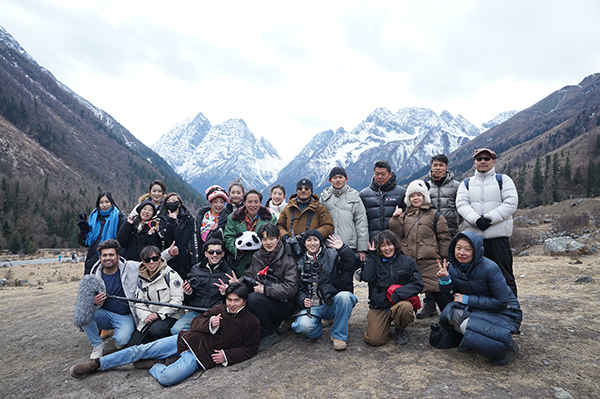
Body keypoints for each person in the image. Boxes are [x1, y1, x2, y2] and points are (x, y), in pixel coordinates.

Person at [69, 282, 261, 387]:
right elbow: (194, 323)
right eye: (229, 300)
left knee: (167, 379)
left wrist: (227, 356)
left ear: (244, 301)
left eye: (236, 300)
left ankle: (156, 365)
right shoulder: (219, 308)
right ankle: (97, 364)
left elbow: (250, 349)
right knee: (139, 349)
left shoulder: (252, 322)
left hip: (200, 358)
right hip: (186, 340)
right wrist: (209, 323)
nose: (232, 304)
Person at [436, 231, 522, 365]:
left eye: (467, 249)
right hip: (480, 308)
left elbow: (501, 302)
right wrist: (445, 281)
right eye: (458, 248)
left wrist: (467, 300)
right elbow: (452, 296)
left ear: (476, 251)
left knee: (467, 325)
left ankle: (509, 348)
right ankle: (479, 340)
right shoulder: (454, 267)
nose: (461, 253)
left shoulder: (490, 268)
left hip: (506, 311)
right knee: (451, 313)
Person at [456, 148, 519, 296]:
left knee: (504, 276)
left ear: (493, 161)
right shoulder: (466, 183)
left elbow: (511, 203)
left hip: (498, 238)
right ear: (474, 162)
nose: (483, 161)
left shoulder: (503, 180)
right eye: (479, 159)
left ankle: (510, 311)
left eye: (487, 158)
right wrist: (476, 220)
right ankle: (479, 310)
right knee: (474, 277)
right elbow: (461, 204)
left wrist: (489, 219)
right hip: (474, 240)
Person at [227, 223, 298, 352]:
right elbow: (248, 275)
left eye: (271, 238)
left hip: (283, 304)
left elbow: (291, 289)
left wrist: (266, 290)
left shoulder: (288, 260)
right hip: (267, 301)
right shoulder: (259, 256)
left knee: (253, 298)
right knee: (242, 297)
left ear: (278, 238)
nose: (268, 243)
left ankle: (269, 334)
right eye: (264, 239)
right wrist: (237, 283)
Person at [389, 180, 452, 320]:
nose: (416, 198)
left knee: (439, 292)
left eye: (419, 195)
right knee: (405, 293)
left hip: (430, 261)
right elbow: (396, 234)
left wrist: (445, 258)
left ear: (424, 197)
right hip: (410, 262)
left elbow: (444, 238)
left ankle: (450, 321)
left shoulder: (435, 215)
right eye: (412, 196)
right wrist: (394, 218)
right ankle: (401, 321)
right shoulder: (404, 216)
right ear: (408, 199)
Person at [291, 230, 361, 350]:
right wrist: (303, 299)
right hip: (312, 306)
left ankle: (338, 335)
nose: (312, 243)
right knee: (307, 328)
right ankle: (315, 325)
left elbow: (354, 265)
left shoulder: (331, 255)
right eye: (309, 240)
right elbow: (298, 290)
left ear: (320, 242)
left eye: (315, 240)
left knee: (345, 297)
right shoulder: (300, 264)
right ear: (304, 244)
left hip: (330, 302)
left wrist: (343, 249)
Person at [361, 230, 424, 347]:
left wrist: (397, 293)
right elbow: (367, 277)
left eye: (389, 244)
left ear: (395, 245)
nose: (387, 248)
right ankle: (380, 325)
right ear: (379, 248)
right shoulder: (375, 260)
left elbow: (418, 284)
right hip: (380, 306)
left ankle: (400, 328)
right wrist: (371, 256)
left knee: (405, 307)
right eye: (383, 245)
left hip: (399, 303)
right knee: (375, 341)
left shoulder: (407, 261)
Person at [80, 239, 139, 359]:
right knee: (83, 314)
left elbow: (150, 263)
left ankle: (119, 333)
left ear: (118, 257)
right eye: (104, 255)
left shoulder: (131, 267)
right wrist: (94, 302)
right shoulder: (92, 278)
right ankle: (97, 345)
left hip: (126, 316)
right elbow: (84, 304)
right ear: (100, 257)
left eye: (111, 255)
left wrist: (169, 253)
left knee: (121, 342)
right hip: (105, 315)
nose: (108, 258)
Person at [419, 154, 462, 318]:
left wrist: (455, 223)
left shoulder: (457, 186)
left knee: (450, 268)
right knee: (430, 269)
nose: (438, 168)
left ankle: (450, 303)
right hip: (429, 234)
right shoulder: (425, 186)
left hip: (450, 233)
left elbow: (461, 208)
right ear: (431, 167)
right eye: (435, 165)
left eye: (441, 165)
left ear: (447, 167)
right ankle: (429, 305)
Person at [170, 238, 234, 335]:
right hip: (196, 312)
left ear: (223, 254)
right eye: (211, 252)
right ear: (206, 253)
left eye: (218, 252)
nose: (215, 255)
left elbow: (234, 301)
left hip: (217, 313)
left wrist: (226, 292)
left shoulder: (229, 273)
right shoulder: (196, 269)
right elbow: (189, 298)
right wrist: (188, 292)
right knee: (176, 330)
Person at [128, 246, 184, 346]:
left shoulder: (171, 275)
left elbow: (177, 301)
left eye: (155, 259)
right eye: (147, 260)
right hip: (150, 317)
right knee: (133, 345)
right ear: (143, 262)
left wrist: (158, 315)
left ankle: (165, 347)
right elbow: (139, 303)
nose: (151, 262)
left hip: (171, 315)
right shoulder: (140, 279)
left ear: (160, 259)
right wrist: (146, 316)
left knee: (156, 329)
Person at [224, 189, 278, 276]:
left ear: (260, 203)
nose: (253, 205)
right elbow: (228, 238)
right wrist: (238, 250)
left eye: (256, 202)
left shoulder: (270, 219)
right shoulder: (233, 218)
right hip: (239, 263)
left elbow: (273, 239)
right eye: (249, 202)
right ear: (244, 203)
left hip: (262, 261)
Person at [320, 166, 369, 262]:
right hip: (329, 246)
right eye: (334, 178)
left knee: (349, 275)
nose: (337, 180)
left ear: (346, 179)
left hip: (350, 246)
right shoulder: (324, 198)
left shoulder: (354, 196)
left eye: (340, 177)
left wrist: (362, 249)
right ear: (330, 180)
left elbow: (361, 223)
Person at [278, 178, 334, 258]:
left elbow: (328, 226)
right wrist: (285, 237)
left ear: (311, 191)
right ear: (297, 191)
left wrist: (312, 236)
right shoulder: (288, 208)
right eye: (300, 188)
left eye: (306, 188)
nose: (303, 190)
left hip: (312, 252)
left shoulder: (320, 208)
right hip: (291, 252)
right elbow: (279, 225)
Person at [77, 192, 126, 275]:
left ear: (112, 203)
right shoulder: (94, 219)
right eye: (101, 202)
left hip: (112, 260)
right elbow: (85, 243)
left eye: (107, 202)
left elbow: (123, 241)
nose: (104, 205)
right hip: (93, 259)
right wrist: (83, 232)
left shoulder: (120, 218)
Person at [359, 161, 407, 241]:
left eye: (383, 174)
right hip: (372, 242)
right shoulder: (364, 194)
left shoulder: (401, 193)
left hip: (395, 242)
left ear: (390, 175)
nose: (380, 177)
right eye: (377, 174)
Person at [157, 193, 199, 280]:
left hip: (186, 260)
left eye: (173, 200)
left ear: (179, 204)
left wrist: (192, 254)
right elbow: (165, 238)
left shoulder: (189, 218)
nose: (171, 203)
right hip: (169, 260)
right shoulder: (161, 219)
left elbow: (194, 237)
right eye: (168, 201)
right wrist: (171, 221)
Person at [196, 185, 230, 260]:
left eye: (222, 202)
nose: (219, 205)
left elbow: (226, 237)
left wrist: (216, 231)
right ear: (210, 203)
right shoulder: (203, 214)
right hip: (201, 250)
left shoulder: (225, 218)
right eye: (216, 202)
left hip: (216, 253)